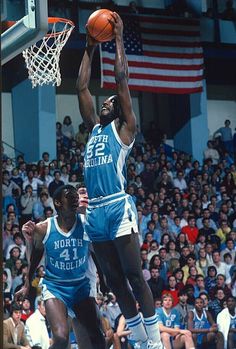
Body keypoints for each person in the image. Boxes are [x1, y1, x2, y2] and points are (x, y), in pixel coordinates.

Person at [76, 12, 162, 349]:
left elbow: (122, 80)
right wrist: (89, 46)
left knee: (133, 276)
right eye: (107, 100)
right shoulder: (94, 128)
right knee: (112, 281)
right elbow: (82, 85)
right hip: (95, 212)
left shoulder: (124, 130)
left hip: (116, 205)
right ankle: (140, 338)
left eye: (112, 101)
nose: (108, 101)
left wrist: (118, 39)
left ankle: (154, 340)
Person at [15, 185, 105, 349]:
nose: (74, 198)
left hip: (80, 287)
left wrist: (104, 282)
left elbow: (97, 255)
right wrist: (27, 285)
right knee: (62, 338)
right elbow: (33, 262)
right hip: (55, 287)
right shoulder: (43, 229)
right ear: (57, 202)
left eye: (75, 196)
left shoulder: (86, 224)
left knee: (98, 337)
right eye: (69, 196)